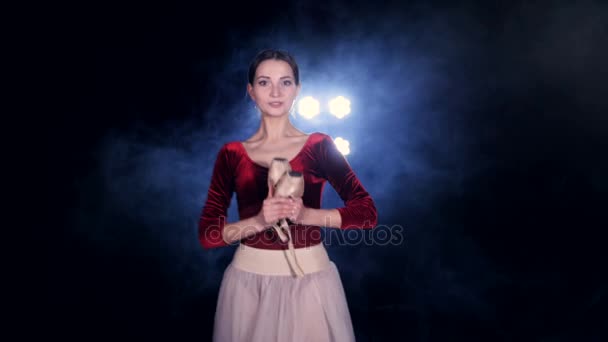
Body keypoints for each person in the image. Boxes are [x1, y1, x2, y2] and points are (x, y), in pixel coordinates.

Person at [198, 48, 378, 342]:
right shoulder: (232, 154)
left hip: (310, 283)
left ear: (298, 89)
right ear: (251, 91)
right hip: (247, 286)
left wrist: (307, 215)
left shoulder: (319, 145)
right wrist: (259, 220)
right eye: (264, 82)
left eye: (285, 82)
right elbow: (209, 235)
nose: (276, 91)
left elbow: (367, 213)